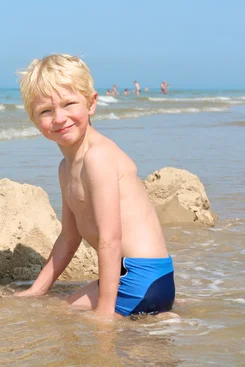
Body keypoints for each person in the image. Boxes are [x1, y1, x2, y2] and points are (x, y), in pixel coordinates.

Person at [15, 54, 175, 319]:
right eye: (46, 111)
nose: (59, 118)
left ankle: (152, 316)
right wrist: (37, 290)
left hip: (140, 276)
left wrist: (103, 313)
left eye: (69, 104)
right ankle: (158, 316)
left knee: (62, 317)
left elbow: (111, 239)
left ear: (91, 103)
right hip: (143, 277)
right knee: (63, 305)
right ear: (35, 121)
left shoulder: (97, 157)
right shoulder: (65, 168)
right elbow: (69, 237)